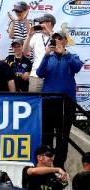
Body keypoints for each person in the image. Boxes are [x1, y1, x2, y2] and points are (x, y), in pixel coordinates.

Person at [37, 31, 82, 169]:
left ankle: (59, 166)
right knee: (47, 135)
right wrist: (46, 55)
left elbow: (77, 67)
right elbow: (39, 73)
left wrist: (65, 53)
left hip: (66, 102)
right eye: (54, 38)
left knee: (63, 136)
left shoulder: (72, 56)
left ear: (65, 41)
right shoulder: (48, 57)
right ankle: (46, 165)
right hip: (49, 101)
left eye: (60, 38)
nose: (56, 41)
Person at [22, 14, 56, 92]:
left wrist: (50, 33)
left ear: (49, 23)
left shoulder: (57, 35)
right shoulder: (36, 36)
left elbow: (60, 50)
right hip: (36, 75)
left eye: (41, 22)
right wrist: (29, 35)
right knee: (34, 101)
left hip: (53, 76)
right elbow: (25, 51)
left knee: (52, 102)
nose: (39, 25)